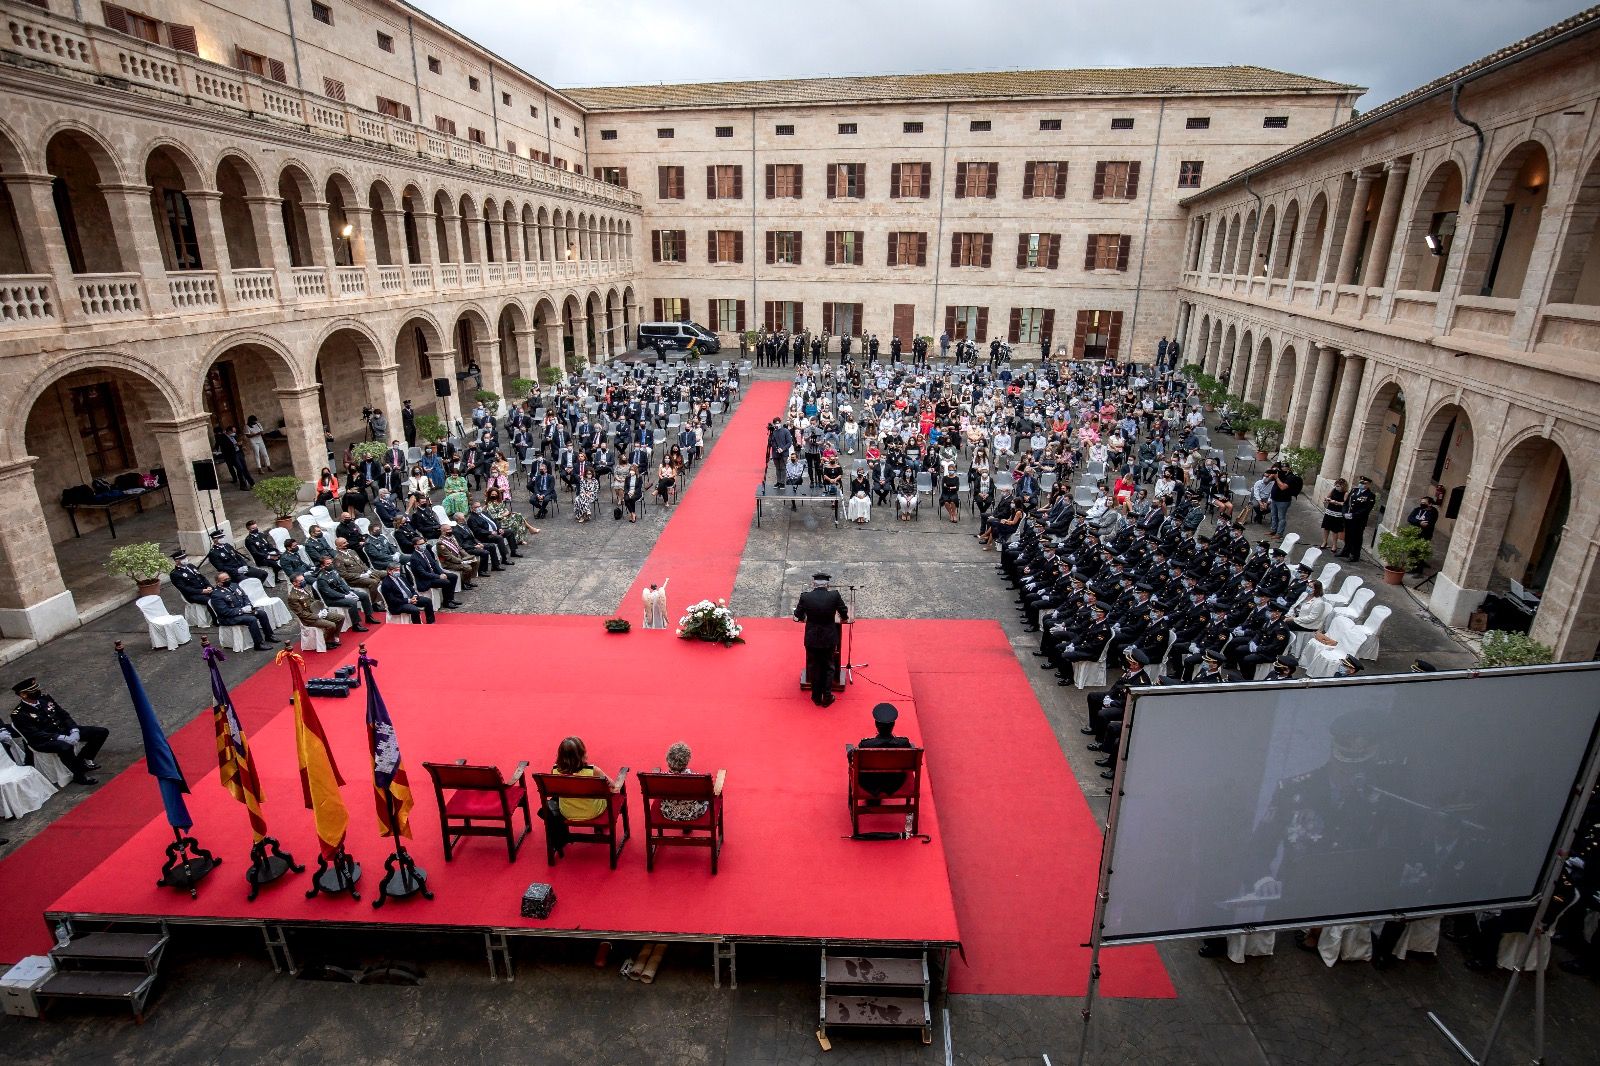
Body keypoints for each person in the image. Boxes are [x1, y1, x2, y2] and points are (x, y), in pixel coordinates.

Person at [12, 677, 108, 785]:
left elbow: (64, 715)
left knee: (101, 732)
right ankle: (78, 775)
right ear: (23, 695)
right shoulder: (19, 714)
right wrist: (60, 737)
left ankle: (83, 759)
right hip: (44, 740)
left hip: (62, 730)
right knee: (65, 747)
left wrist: (74, 729)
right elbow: (35, 734)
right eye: (33, 691)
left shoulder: (45, 699)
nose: (37, 692)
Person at [794, 572, 849, 706]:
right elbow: (844, 612)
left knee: (814, 666)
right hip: (829, 638)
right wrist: (844, 618)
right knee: (829, 666)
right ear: (827, 584)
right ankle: (827, 696)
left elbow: (798, 615)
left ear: (813, 583)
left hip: (812, 638)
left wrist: (804, 617)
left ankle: (816, 696)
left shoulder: (805, 597)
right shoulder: (834, 595)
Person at [851, 702, 913, 795]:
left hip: (869, 782)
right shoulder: (904, 743)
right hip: (895, 782)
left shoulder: (866, 745)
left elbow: (853, 759)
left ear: (876, 724)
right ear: (893, 725)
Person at [551, 736, 614, 821]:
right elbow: (612, 785)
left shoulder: (555, 770)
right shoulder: (593, 771)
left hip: (567, 812)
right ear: (582, 754)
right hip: (592, 812)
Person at [208, 572, 276, 649]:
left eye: (228, 578)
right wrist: (242, 610)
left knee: (261, 613)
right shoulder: (216, 595)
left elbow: (244, 596)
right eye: (225, 580)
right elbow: (224, 611)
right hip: (229, 617)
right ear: (218, 582)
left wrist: (248, 606)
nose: (228, 580)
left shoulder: (234, 585)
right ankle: (258, 644)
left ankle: (269, 635)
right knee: (252, 619)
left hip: (242, 612)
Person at [286, 573, 344, 648]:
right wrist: (317, 616)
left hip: (317, 611)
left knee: (340, 618)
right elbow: (301, 613)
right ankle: (326, 642)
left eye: (303, 579)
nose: (304, 581)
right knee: (331, 625)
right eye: (301, 581)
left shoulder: (304, 589)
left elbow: (313, 601)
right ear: (294, 583)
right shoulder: (293, 597)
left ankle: (334, 637)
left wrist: (322, 610)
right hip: (309, 619)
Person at [658, 741, 710, 822]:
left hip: (669, 812)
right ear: (687, 760)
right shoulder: (696, 778)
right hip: (692, 813)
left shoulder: (660, 778)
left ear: (668, 758)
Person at [1341, 476, 1377, 561]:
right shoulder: (1354, 491)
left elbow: (1366, 509)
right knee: (1348, 535)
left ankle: (1355, 555)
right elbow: (1346, 503)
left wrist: (1353, 515)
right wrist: (1344, 513)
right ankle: (1346, 551)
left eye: (1363, 483)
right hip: (1348, 518)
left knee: (1356, 537)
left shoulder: (1370, 495)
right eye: (1360, 482)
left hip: (1358, 521)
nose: (1361, 484)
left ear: (1368, 485)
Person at [1320, 478, 1348, 552]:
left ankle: (1334, 545)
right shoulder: (1333, 490)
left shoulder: (1345, 493)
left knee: (1335, 530)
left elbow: (1345, 504)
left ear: (1343, 486)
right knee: (1326, 527)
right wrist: (1327, 499)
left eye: (1339, 486)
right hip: (1329, 511)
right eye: (1336, 485)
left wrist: (1336, 502)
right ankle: (1324, 541)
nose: (1337, 487)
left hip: (1337, 513)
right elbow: (1327, 496)